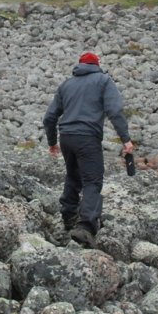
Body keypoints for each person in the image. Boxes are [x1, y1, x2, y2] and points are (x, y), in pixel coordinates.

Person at [43, 52, 133, 248]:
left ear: (80, 65)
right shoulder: (103, 81)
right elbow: (114, 111)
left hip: (66, 137)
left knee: (73, 175)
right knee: (92, 179)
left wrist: (52, 142)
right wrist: (125, 139)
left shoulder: (66, 85)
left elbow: (49, 117)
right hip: (87, 137)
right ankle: (85, 226)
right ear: (96, 65)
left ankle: (68, 216)